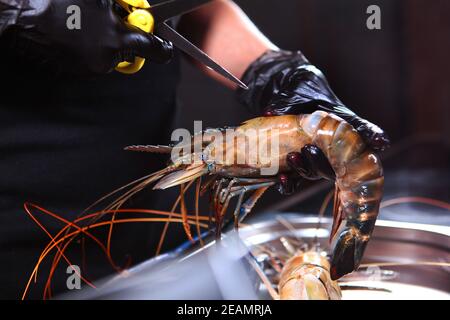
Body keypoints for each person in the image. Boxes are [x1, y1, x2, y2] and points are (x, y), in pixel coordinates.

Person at [0, 0, 388, 299]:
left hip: (150, 230)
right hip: (19, 244)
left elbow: (193, 10)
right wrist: (12, 13)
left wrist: (270, 72)